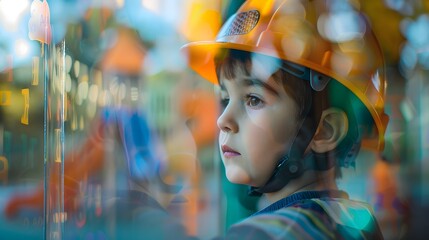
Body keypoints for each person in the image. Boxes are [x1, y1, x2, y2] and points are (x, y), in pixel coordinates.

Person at [181, 0, 389, 239]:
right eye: (226, 99)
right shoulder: (356, 221)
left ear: (324, 131)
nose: (223, 120)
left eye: (253, 99)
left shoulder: (261, 234)